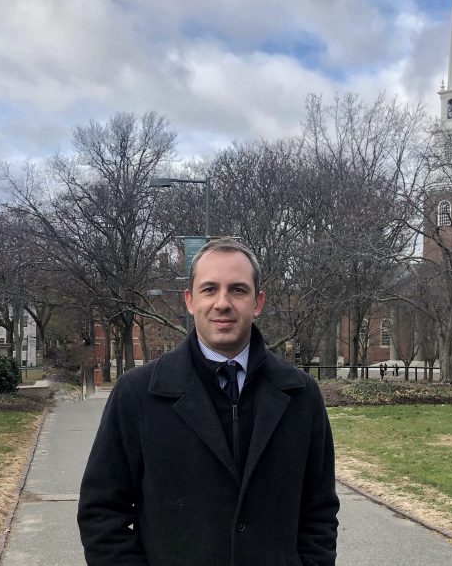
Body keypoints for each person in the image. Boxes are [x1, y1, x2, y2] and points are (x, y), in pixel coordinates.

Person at [77, 238, 339, 565]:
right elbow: (101, 513)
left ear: (257, 303)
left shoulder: (301, 396)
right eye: (209, 289)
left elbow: (319, 512)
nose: (222, 303)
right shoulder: (137, 396)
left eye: (238, 290)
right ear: (190, 300)